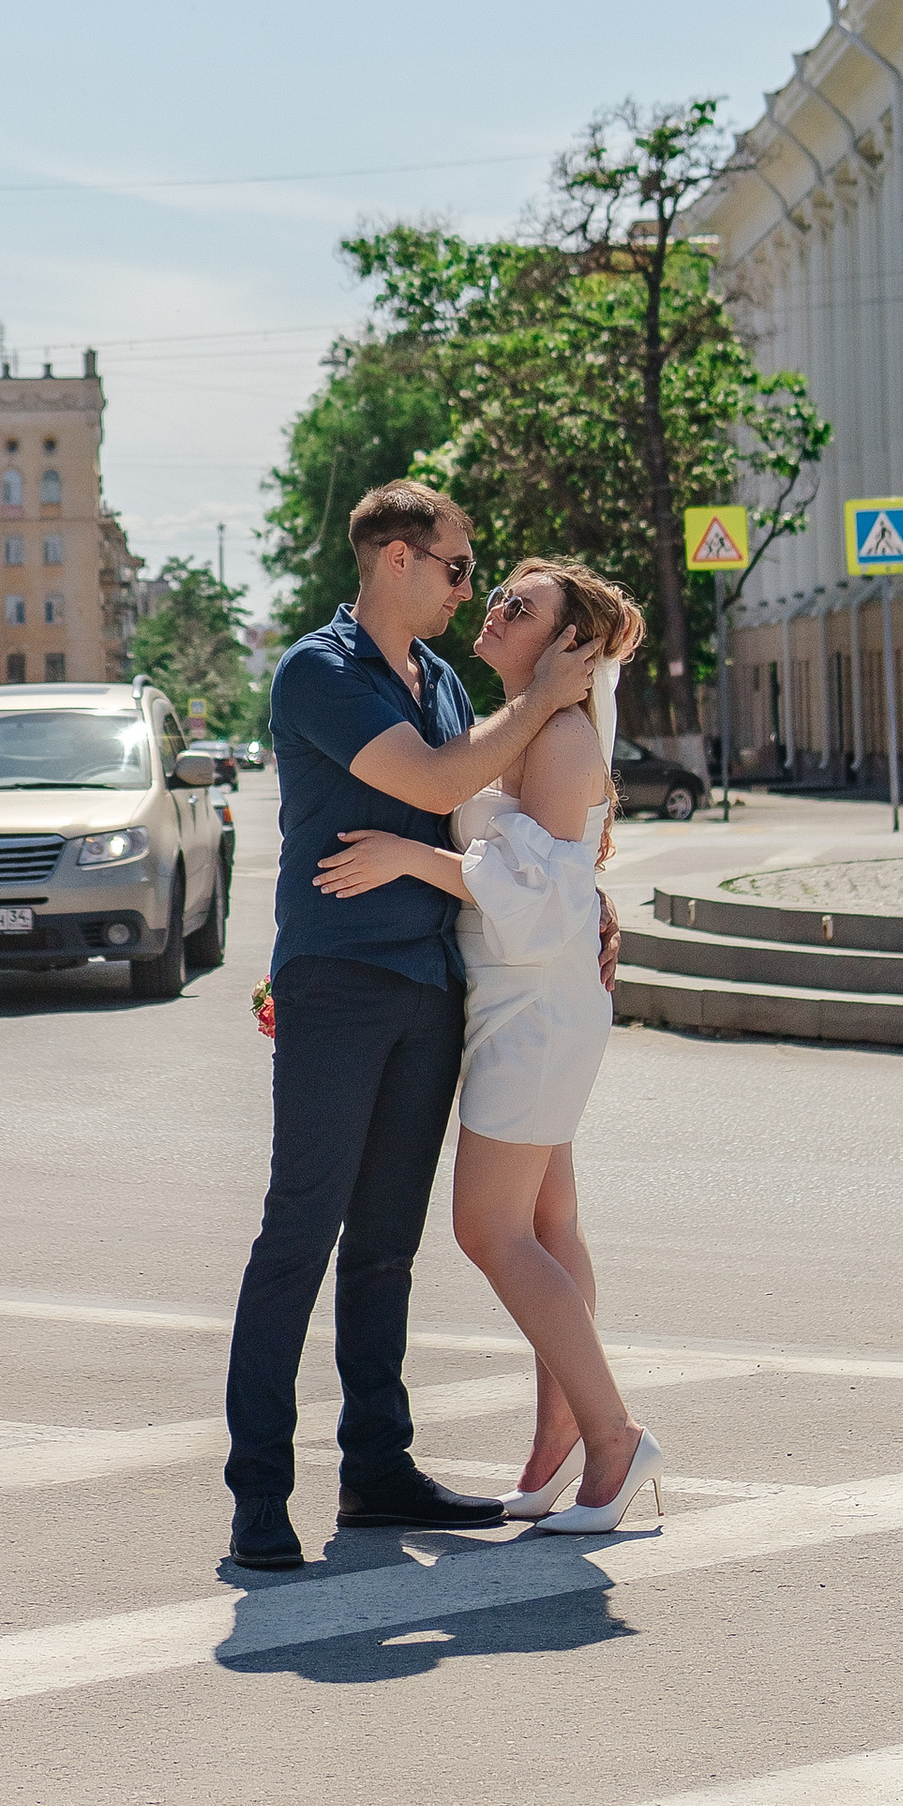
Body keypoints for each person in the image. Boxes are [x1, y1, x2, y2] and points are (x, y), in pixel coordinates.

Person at [221, 483, 612, 1574]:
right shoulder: (320, 672)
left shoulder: (437, 678)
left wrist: (589, 897)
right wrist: (541, 695)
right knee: (300, 1231)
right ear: (396, 560)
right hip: (340, 981)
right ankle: (259, 1492)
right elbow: (443, 777)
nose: (466, 584)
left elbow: (504, 820)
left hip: (433, 982)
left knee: (385, 1248)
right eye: (454, 566)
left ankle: (375, 1469)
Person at [317, 556, 662, 1535]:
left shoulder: (557, 741)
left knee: (489, 1230)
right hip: (506, 997)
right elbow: (552, 874)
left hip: (538, 1007)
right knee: (548, 1228)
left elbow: (545, 896)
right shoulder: (498, 726)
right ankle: (558, 1446)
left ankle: (612, 1437)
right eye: (501, 594)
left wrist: (408, 858)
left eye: (524, 606)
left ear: (566, 648)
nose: (498, 608)